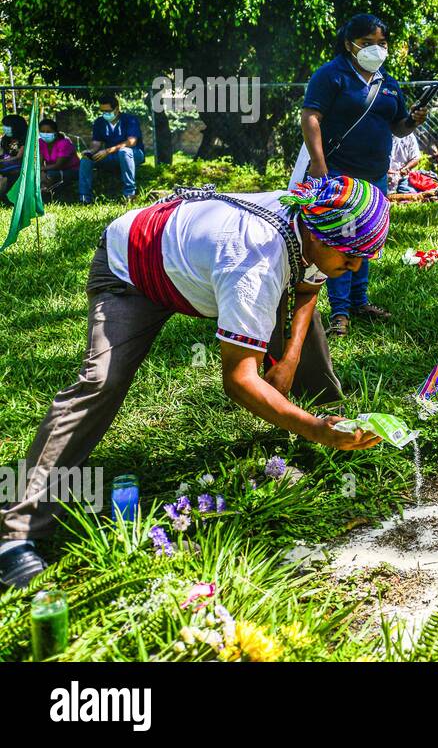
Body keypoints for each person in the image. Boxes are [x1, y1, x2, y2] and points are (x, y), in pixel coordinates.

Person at [0, 175, 391, 590]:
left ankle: (334, 427)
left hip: (197, 261)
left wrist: (290, 358)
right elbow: (239, 380)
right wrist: (311, 428)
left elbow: (309, 277)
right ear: (316, 232)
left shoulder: (307, 217)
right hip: (129, 272)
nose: (356, 266)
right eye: (350, 256)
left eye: (365, 256)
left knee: (302, 334)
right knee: (101, 382)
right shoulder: (253, 263)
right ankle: (15, 533)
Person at [299, 13, 427, 337]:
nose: (376, 49)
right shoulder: (331, 75)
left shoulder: (388, 83)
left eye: (381, 43)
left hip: (376, 176)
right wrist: (318, 164)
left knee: (365, 238)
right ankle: (339, 313)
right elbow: (310, 116)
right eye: (368, 43)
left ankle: (360, 302)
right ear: (349, 43)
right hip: (339, 173)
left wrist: (413, 120)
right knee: (340, 240)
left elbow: (398, 127)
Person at [79, 94, 145, 203]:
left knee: (124, 151)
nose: (105, 114)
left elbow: (132, 142)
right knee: (85, 160)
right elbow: (96, 143)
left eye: (108, 111)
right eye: (103, 111)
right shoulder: (99, 122)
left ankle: (129, 194)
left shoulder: (130, 120)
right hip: (111, 156)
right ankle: (84, 197)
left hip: (133, 154)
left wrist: (108, 150)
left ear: (117, 109)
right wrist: (90, 152)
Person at [38, 117, 79, 200]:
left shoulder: (64, 143)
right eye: (42, 131)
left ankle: (46, 196)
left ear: (55, 132)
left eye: (48, 131)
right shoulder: (41, 142)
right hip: (51, 169)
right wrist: (41, 171)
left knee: (50, 174)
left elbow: (59, 165)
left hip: (72, 171)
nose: (45, 134)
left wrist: (41, 169)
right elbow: (40, 162)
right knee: (41, 174)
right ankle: (42, 194)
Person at [388, 129, 422, 195]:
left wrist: (405, 169)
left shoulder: (409, 136)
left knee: (409, 193)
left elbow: (416, 158)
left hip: (402, 177)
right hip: (383, 176)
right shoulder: (381, 134)